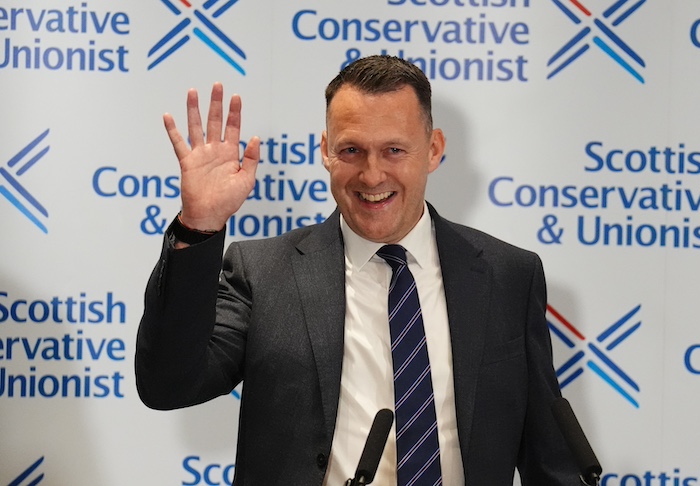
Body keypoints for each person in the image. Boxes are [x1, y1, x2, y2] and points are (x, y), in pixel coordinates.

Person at [136, 55, 580, 485]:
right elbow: (168, 384)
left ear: (433, 150)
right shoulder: (263, 272)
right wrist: (198, 227)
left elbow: (549, 456)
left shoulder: (508, 276)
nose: (371, 176)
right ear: (326, 152)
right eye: (351, 150)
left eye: (394, 150)